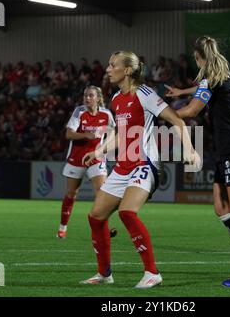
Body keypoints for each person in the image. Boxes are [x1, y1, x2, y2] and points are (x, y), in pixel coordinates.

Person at [79, 51, 199, 289]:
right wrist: (100, 151)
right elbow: (120, 134)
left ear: (127, 71)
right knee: (95, 217)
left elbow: (177, 120)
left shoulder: (145, 94)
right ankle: (104, 273)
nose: (108, 69)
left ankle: (152, 273)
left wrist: (190, 149)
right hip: (123, 166)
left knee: (127, 213)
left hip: (145, 164)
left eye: (113, 65)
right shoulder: (115, 98)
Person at [165, 36, 230, 287]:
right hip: (229, 151)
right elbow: (202, 89)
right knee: (221, 208)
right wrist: (182, 92)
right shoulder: (221, 77)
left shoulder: (212, 78)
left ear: (198, 58)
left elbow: (191, 111)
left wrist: (161, 112)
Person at [57, 86, 116, 239]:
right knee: (71, 194)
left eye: (90, 96)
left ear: (98, 98)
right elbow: (69, 134)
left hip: (96, 158)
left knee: (101, 193)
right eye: (85, 96)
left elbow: (113, 132)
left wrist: (104, 148)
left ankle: (104, 228)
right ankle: (63, 227)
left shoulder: (106, 114)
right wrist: (86, 135)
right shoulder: (79, 112)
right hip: (77, 159)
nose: (87, 98)